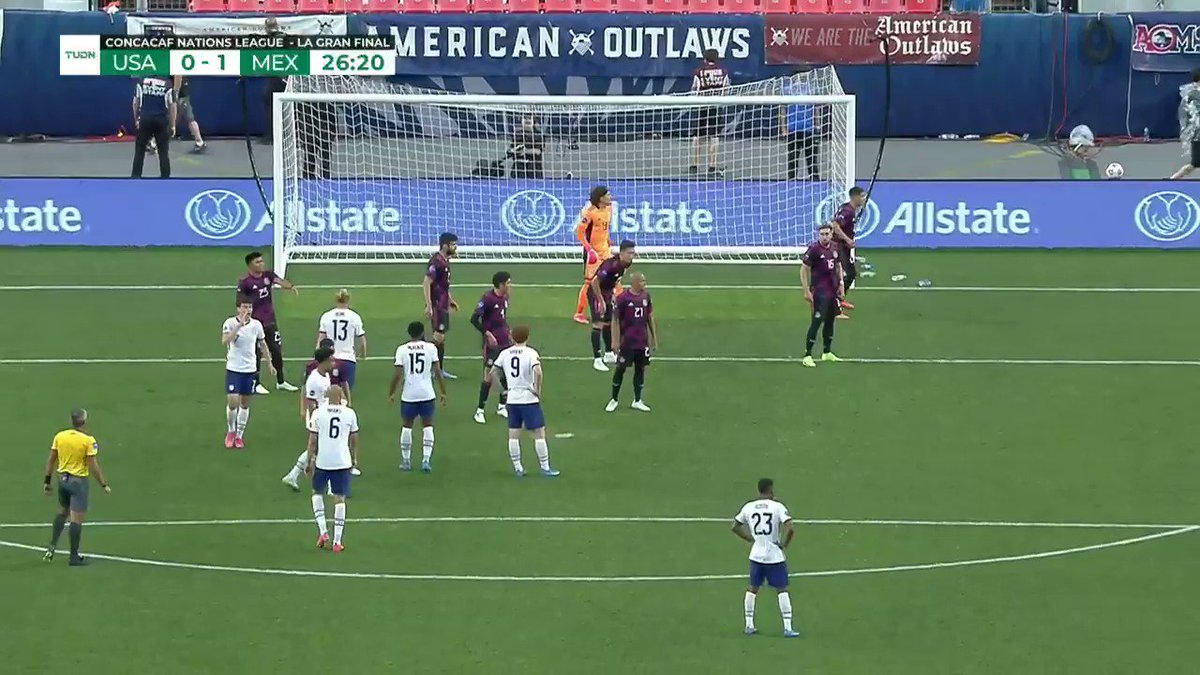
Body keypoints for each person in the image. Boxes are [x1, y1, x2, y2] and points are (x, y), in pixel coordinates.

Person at [42, 408, 111, 567]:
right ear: (84, 421)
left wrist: (47, 481)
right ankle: (74, 557)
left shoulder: (60, 436)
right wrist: (103, 484)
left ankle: (52, 546)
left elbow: (51, 460)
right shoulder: (88, 441)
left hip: (63, 480)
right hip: (78, 483)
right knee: (76, 519)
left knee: (62, 512)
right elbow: (93, 466)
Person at [732, 478, 798, 638]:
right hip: (774, 556)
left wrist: (750, 539)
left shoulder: (749, 506)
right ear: (770, 489)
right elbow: (790, 528)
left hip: (756, 554)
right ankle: (787, 627)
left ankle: (749, 625)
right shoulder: (777, 507)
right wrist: (784, 544)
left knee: (753, 588)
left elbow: (735, 526)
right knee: (781, 589)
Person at [494, 325, 560, 478]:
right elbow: (538, 371)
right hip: (529, 399)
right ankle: (545, 467)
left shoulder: (505, 353)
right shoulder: (531, 353)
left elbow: (492, 372)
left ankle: (518, 468)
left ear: (512, 337)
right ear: (527, 337)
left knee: (513, 434)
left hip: (512, 399)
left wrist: (503, 390)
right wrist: (537, 390)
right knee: (539, 433)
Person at [388, 321, 447, 473]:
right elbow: (438, 371)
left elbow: (397, 374)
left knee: (407, 425)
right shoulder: (431, 348)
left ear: (409, 333)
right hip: (427, 393)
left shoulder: (402, 349)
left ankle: (406, 461)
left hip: (409, 394)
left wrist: (392, 392)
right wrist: (443, 391)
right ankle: (426, 460)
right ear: (422, 333)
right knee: (427, 425)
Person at [236, 251, 299, 393]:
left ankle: (281, 381)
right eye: (258, 262)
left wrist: (290, 286)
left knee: (276, 350)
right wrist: (243, 319)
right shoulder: (245, 282)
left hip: (270, 320)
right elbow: (239, 303)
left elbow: (279, 281)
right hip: (254, 323)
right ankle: (256, 383)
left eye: (262, 261)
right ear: (250, 265)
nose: (261, 264)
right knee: (256, 353)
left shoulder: (268, 275)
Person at [305, 386, 358, 553]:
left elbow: (312, 440)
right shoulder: (349, 413)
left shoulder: (318, 413)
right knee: (340, 498)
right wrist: (354, 459)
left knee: (317, 493)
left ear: (327, 396)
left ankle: (323, 531)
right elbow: (354, 438)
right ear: (341, 396)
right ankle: (337, 541)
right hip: (342, 462)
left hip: (323, 461)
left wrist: (309, 461)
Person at [283, 347, 337, 491]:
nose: (333, 363)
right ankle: (330, 486)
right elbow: (311, 403)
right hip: (318, 419)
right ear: (324, 361)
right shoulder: (314, 380)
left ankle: (293, 475)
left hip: (324, 416)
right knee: (322, 449)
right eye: (331, 360)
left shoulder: (325, 375)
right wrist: (317, 424)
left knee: (318, 450)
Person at [222, 298, 273, 449]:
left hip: (250, 369)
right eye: (244, 307)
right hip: (234, 368)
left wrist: (269, 363)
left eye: (250, 307)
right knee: (232, 402)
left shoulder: (256, 325)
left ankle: (239, 435)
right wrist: (239, 325)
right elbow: (225, 341)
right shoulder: (230, 323)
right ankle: (231, 431)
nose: (248, 310)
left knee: (244, 403)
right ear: (238, 309)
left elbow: (262, 343)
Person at [606, 271, 657, 413]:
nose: (644, 284)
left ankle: (637, 400)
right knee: (620, 369)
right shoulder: (623, 298)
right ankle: (614, 399)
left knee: (640, 369)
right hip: (627, 342)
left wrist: (654, 338)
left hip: (642, 342)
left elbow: (650, 317)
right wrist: (615, 342)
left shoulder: (646, 297)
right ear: (634, 283)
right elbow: (615, 320)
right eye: (642, 281)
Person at [588, 240, 637, 372]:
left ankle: (609, 353)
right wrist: (601, 300)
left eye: (633, 253)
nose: (631, 256)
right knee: (598, 324)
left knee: (609, 322)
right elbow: (594, 282)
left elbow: (616, 279)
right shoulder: (611, 265)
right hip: (596, 292)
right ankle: (597, 359)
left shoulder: (625, 264)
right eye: (629, 253)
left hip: (608, 292)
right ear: (622, 253)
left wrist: (613, 293)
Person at [799, 224, 844, 368]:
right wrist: (806, 290)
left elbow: (838, 266)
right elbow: (803, 269)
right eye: (822, 234)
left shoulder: (835, 247)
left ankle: (827, 352)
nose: (824, 237)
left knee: (830, 321)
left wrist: (841, 283)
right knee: (816, 322)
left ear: (831, 234)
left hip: (832, 291)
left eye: (827, 234)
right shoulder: (814, 250)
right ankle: (807, 355)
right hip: (819, 292)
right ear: (818, 235)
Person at [471, 271, 512, 424]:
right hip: (491, 344)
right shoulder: (488, 299)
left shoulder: (504, 298)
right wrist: (487, 334)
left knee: (506, 374)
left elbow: (502, 318)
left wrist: (508, 331)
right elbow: (474, 319)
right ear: (501, 284)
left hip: (505, 342)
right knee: (488, 376)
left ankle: (502, 406)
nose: (510, 286)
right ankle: (480, 410)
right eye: (508, 283)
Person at [573, 186, 616, 325]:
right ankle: (579, 313)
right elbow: (580, 233)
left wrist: (608, 240)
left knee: (614, 279)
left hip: (605, 250)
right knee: (589, 283)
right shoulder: (590, 213)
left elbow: (605, 229)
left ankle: (616, 310)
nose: (610, 197)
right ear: (601, 198)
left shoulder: (609, 209)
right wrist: (589, 250)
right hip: (594, 253)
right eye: (608, 195)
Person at [423, 232, 460, 380]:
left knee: (441, 338)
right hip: (437, 305)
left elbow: (443, 286)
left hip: (443, 304)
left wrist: (451, 300)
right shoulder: (436, 261)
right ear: (445, 245)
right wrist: (429, 305)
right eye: (453, 244)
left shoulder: (445, 261)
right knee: (438, 337)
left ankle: (439, 370)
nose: (455, 247)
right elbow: (426, 282)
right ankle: (421, 358)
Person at [691, 48, 730, 178]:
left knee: (697, 135)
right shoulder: (723, 72)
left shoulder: (699, 72)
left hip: (702, 105)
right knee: (714, 136)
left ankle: (694, 165)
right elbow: (726, 89)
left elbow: (694, 89)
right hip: (716, 106)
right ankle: (712, 166)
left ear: (705, 58)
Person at [317, 289, 366, 391]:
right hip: (348, 359)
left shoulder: (326, 316)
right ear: (348, 300)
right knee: (345, 394)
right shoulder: (354, 316)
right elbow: (362, 340)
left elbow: (321, 339)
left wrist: (317, 357)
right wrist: (363, 354)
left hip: (330, 359)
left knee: (329, 392)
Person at [830, 186, 867, 313]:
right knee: (847, 274)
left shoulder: (848, 209)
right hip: (838, 246)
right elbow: (835, 225)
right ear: (855, 197)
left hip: (843, 247)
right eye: (862, 196)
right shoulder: (848, 211)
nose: (863, 199)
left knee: (849, 273)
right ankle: (834, 303)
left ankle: (838, 299)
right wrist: (847, 240)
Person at [131, 75, 175, 178]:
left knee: (139, 151)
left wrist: (136, 118)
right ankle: (165, 177)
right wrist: (172, 125)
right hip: (161, 121)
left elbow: (135, 102)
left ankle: (135, 177)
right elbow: (172, 106)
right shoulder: (168, 84)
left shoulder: (141, 82)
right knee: (163, 152)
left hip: (145, 120)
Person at [780, 71, 821, 181]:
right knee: (792, 158)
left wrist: (817, 125)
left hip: (809, 129)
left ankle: (815, 181)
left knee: (811, 158)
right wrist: (784, 129)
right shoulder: (787, 90)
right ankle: (791, 181)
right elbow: (783, 109)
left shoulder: (811, 89)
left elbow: (816, 108)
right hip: (793, 129)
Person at [1170, 68, 1200, 180]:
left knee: (1193, 165)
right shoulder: (1194, 96)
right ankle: (1171, 180)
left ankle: (1172, 179)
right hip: (1198, 136)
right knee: (1193, 165)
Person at [172, 75, 206, 154]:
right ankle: (156, 141)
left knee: (189, 118)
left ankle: (200, 142)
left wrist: (176, 93)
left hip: (181, 95)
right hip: (180, 93)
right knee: (174, 118)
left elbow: (178, 76)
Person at [508, 113, 545, 179]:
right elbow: (512, 149)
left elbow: (538, 151)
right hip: (518, 169)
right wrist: (513, 150)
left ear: (534, 121)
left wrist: (524, 151)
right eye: (525, 118)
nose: (527, 120)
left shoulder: (539, 135)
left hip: (534, 169)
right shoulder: (517, 134)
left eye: (529, 118)